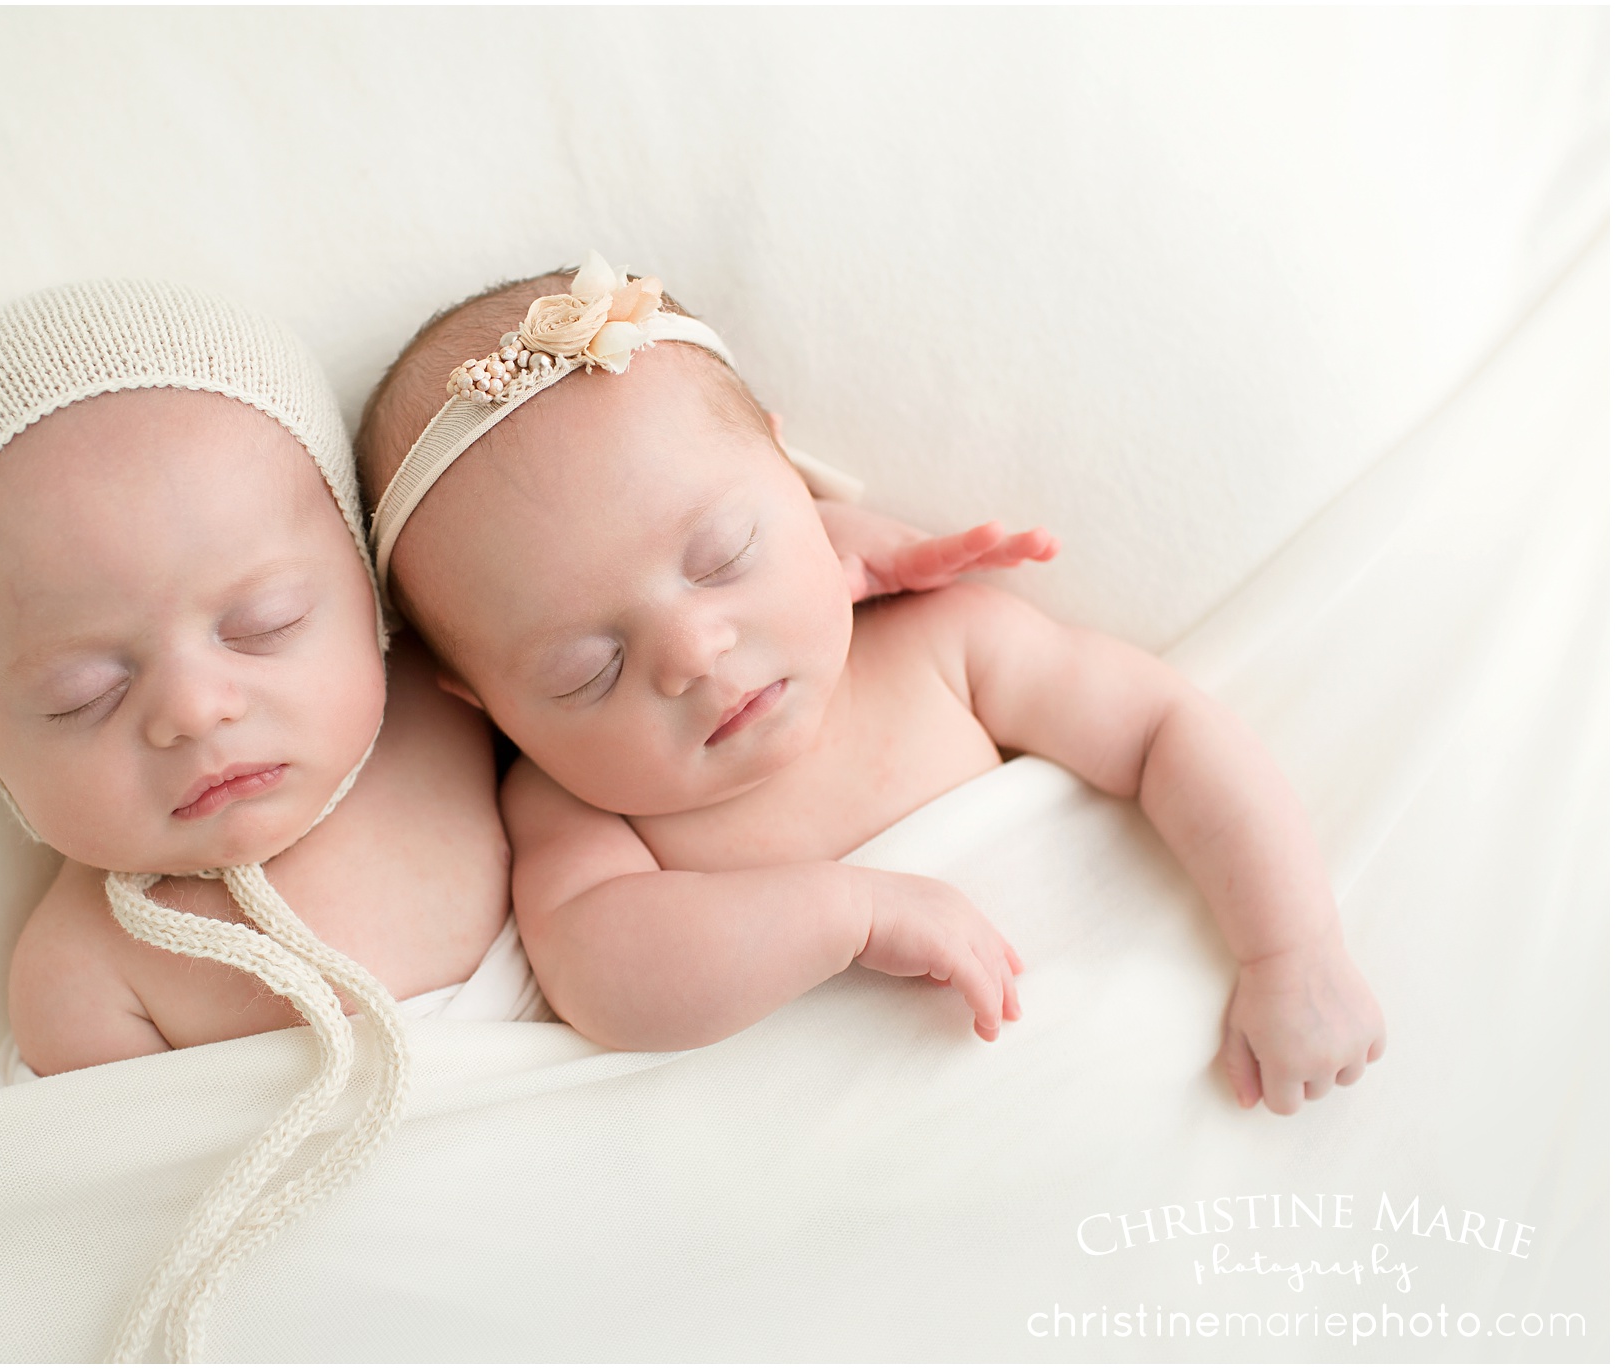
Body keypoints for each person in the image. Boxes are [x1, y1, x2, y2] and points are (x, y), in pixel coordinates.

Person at [354, 253, 1385, 1115]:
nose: (695, 654)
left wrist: (1290, 946)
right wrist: (844, 914)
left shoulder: (945, 646)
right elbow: (604, 982)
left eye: (721, 558)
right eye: (589, 669)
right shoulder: (574, 805)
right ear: (483, 702)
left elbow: (1167, 730)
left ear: (795, 483)